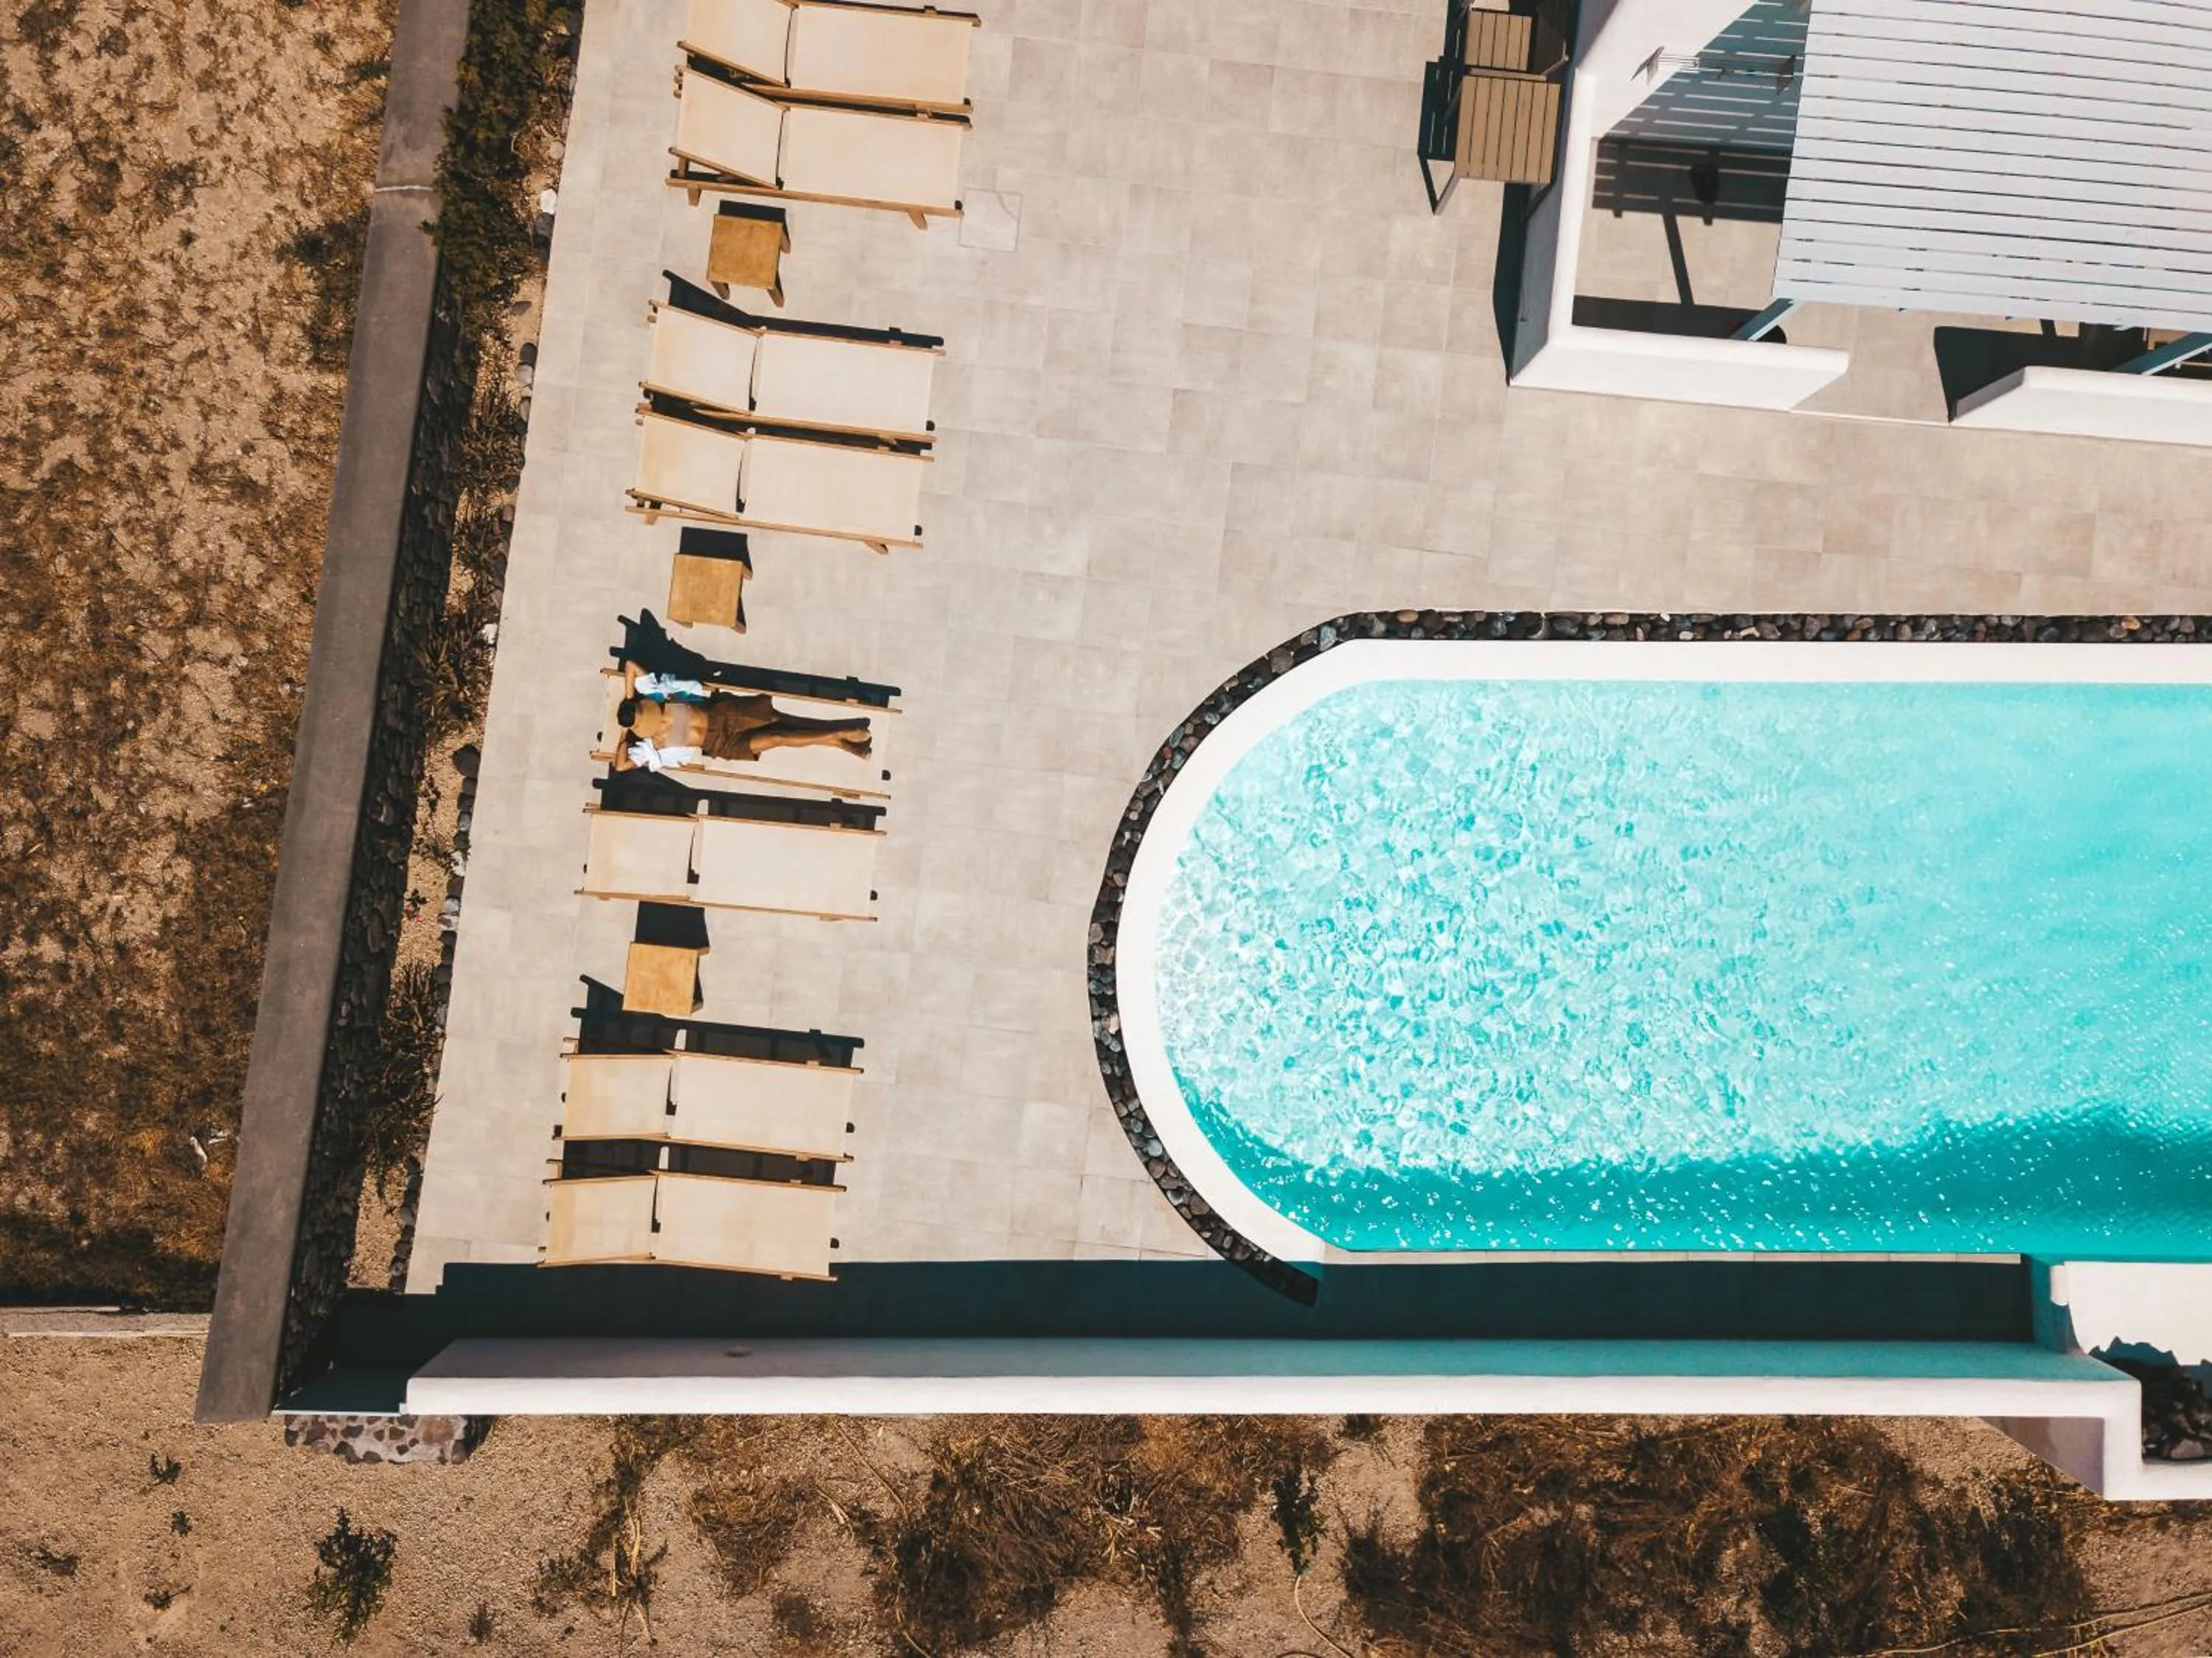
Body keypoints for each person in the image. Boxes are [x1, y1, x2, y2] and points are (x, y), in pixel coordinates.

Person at [612, 662, 871, 773]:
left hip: (723, 716)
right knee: (778, 737)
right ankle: (837, 736)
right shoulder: (651, 745)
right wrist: (625, 734)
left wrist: (629, 697)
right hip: (720, 745)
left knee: (779, 719)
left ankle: (837, 738)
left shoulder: (657, 696)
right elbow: (621, 766)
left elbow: (631, 666)